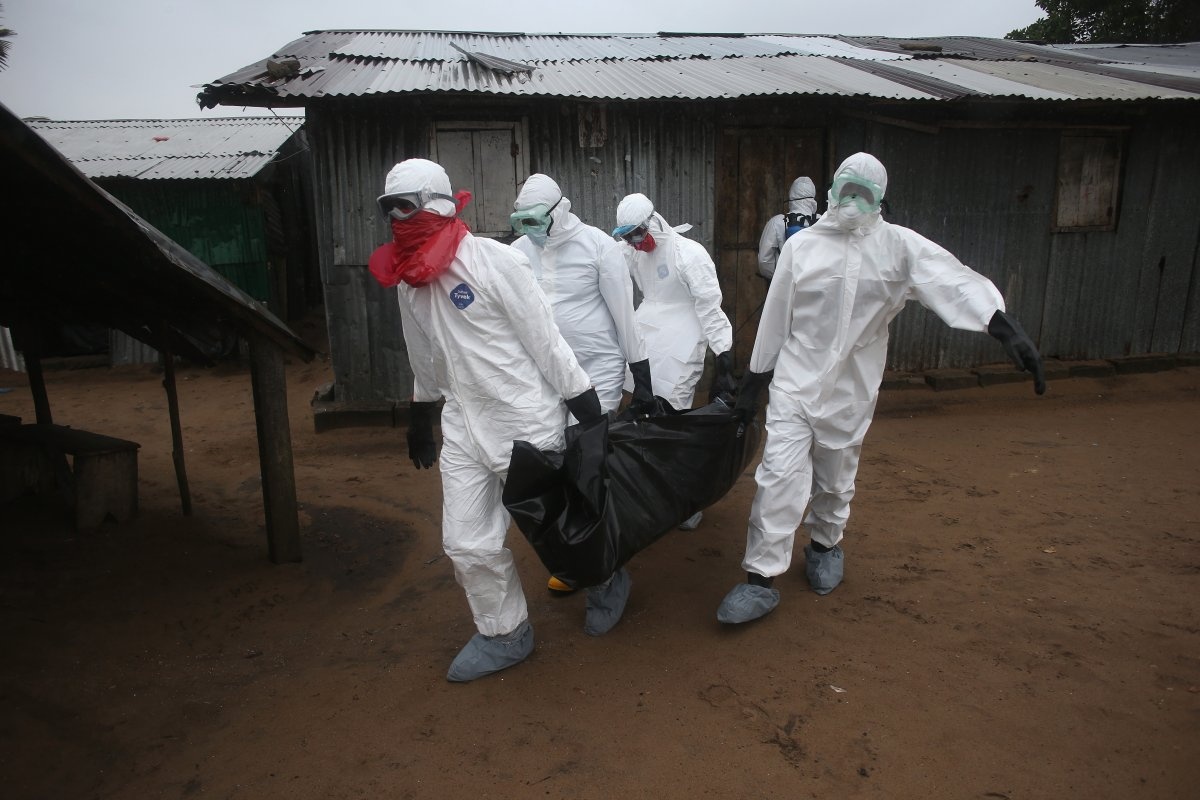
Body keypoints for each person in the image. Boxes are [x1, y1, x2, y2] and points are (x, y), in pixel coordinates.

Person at [717, 152, 1046, 624]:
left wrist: (1000, 324)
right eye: (845, 190)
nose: (852, 201)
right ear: (831, 192)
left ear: (879, 200)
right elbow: (775, 317)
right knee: (777, 479)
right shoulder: (802, 246)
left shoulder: (900, 247)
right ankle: (760, 580)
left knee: (835, 477)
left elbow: (950, 281)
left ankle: (826, 546)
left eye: (863, 193)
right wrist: (755, 381)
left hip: (851, 387)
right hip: (795, 379)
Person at [370, 158, 633, 682]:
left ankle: (606, 577)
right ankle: (505, 632)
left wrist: (586, 412)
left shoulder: (494, 263)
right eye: (389, 209)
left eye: (408, 205)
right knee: (467, 541)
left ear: (440, 204)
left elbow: (546, 342)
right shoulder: (409, 284)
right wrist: (421, 416)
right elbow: (422, 356)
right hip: (464, 424)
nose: (399, 217)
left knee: (560, 528)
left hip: (525, 423)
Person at [510, 173, 655, 593]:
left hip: (598, 374)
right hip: (545, 378)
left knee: (589, 466)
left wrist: (640, 377)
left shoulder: (599, 247)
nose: (531, 230)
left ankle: (608, 569)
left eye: (537, 220)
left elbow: (626, 318)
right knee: (556, 465)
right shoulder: (519, 252)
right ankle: (573, 556)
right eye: (524, 221)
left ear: (560, 211)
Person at [612, 192, 737, 530]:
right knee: (641, 408)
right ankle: (647, 484)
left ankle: (683, 496)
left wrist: (723, 356)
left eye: (636, 234)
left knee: (675, 414)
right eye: (626, 237)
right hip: (648, 328)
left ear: (653, 221)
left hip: (684, 331)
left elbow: (709, 306)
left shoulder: (688, 253)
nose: (634, 243)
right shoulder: (631, 252)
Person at [757, 176, 818, 282]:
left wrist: (779, 277)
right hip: (814, 284)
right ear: (812, 196)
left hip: (783, 284)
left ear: (791, 195)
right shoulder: (822, 221)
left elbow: (764, 260)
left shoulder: (777, 222)